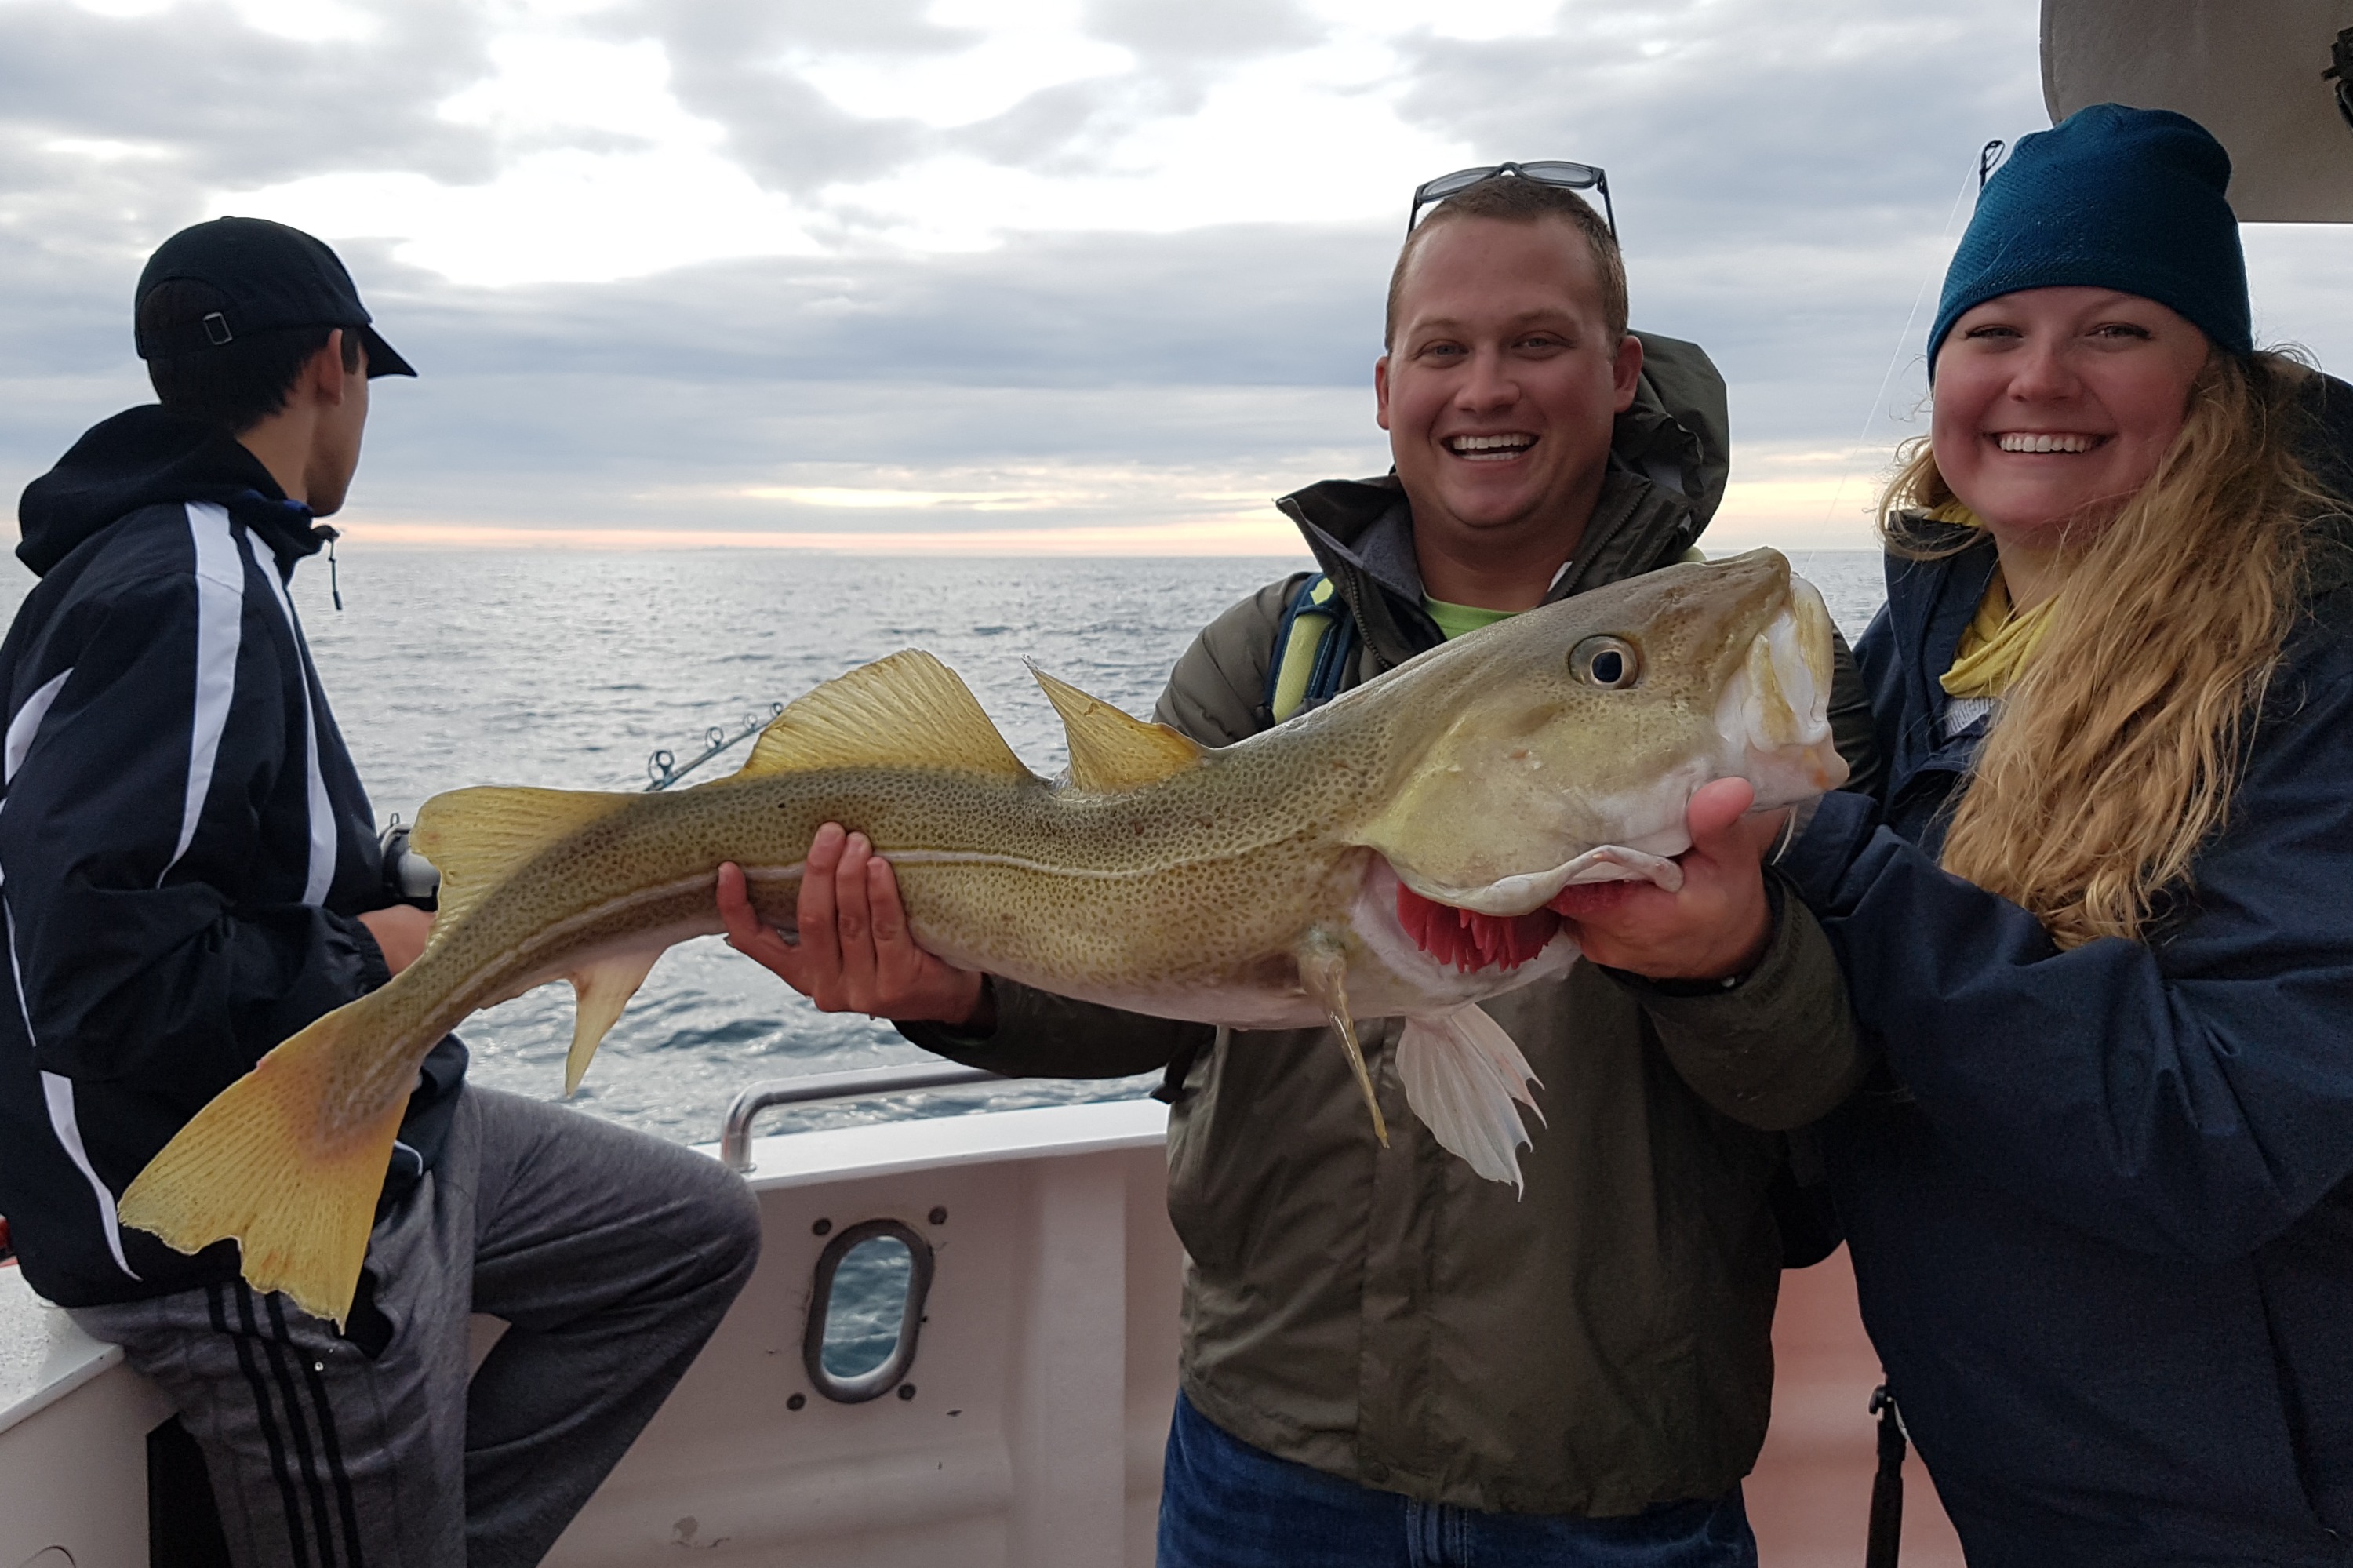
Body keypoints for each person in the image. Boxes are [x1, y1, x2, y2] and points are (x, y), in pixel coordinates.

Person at [719, 169, 1880, 1565]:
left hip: (1611, 1467)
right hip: (1271, 1450)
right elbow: (1148, 969)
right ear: (1386, 388)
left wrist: (1733, 964)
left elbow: (1825, 1089)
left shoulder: (1746, 679)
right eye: (1444, 349)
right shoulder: (1267, 658)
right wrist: (952, 991)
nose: (1485, 387)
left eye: (1539, 341)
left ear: (1622, 373)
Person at [1617, 106, 2353, 1562]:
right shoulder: (1935, 636)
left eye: (2119, 331)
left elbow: (2223, 1129)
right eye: (1993, 328)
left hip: (2260, 1503)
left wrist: (1821, 853)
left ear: (2222, 382)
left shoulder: (2311, 669)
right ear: (1943, 373)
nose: (2039, 379)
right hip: (2019, 1461)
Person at [0, 217, 762, 1567]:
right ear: (335, 366)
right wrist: (368, 949)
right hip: (245, 1219)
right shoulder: (189, 583)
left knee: (688, 1235)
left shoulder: (190, 557)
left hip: (394, 1125)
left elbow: (192, 868)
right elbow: (101, 976)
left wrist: (399, 879)